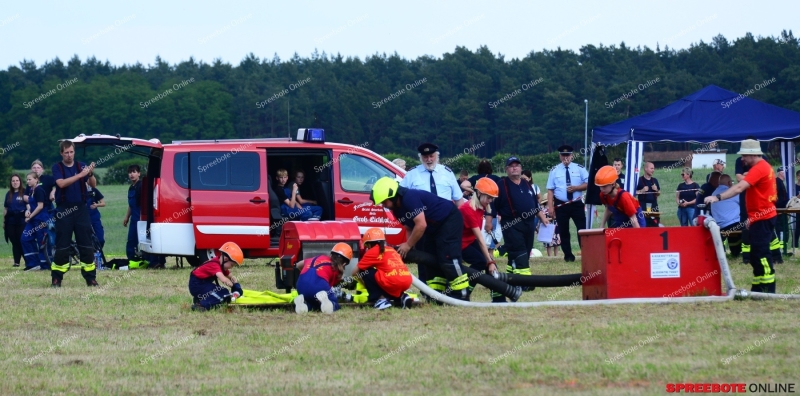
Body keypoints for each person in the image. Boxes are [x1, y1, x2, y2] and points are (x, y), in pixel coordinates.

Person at [370, 177, 472, 301]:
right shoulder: (397, 209)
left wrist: (407, 245)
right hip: (432, 228)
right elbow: (409, 227)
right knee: (430, 261)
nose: (383, 205)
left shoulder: (409, 197)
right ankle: (435, 295)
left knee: (448, 257)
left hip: (448, 220)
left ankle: (461, 294)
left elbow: (421, 224)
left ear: (392, 195)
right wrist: (410, 249)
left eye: (384, 202)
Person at [705, 139, 777, 294]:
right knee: (755, 254)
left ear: (752, 154)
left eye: (744, 155)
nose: (742, 158)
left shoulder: (759, 168)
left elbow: (738, 188)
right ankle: (758, 288)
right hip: (758, 218)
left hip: (763, 218)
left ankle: (768, 289)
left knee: (761, 253)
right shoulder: (761, 167)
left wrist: (717, 198)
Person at [489, 157, 550, 296]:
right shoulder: (501, 185)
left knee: (523, 251)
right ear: (506, 169)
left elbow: (535, 205)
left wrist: (543, 219)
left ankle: (511, 277)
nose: (514, 168)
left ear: (521, 168)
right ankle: (524, 282)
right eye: (511, 166)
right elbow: (492, 205)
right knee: (519, 251)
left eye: (517, 165)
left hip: (529, 223)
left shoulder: (526, 184)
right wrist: (489, 220)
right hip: (511, 223)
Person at [51, 141, 98, 287]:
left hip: (81, 209)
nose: (69, 155)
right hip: (64, 210)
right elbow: (61, 184)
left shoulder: (81, 166)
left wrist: (89, 174)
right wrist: (80, 175)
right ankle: (57, 278)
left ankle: (90, 278)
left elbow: (93, 184)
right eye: (66, 153)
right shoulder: (57, 167)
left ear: (74, 152)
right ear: (61, 153)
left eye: (71, 152)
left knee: (86, 245)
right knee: (62, 245)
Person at [459, 178, 503, 301]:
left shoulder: (480, 207)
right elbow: (480, 239)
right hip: (460, 243)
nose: (490, 201)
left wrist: (490, 261)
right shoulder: (468, 209)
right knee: (481, 262)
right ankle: (464, 293)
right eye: (488, 197)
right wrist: (488, 261)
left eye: (492, 198)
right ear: (478, 193)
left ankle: (498, 296)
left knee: (491, 264)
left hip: (469, 239)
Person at [546, 145, 588, 262]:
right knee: (564, 231)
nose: (566, 158)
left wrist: (576, 188)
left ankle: (586, 254)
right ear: (560, 156)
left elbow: (588, 184)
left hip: (576, 204)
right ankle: (568, 256)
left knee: (582, 230)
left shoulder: (580, 168)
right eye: (563, 155)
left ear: (572, 156)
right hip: (561, 204)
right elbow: (550, 190)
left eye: (568, 155)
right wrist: (550, 207)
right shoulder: (554, 171)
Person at [356, 228, 413, 309]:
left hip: (393, 281)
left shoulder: (372, 251)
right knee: (386, 281)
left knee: (366, 272)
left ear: (369, 244)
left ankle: (380, 300)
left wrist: (363, 283)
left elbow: (355, 272)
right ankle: (402, 296)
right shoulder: (391, 249)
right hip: (406, 280)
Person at [294, 243, 352, 314]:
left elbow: (298, 265)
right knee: (334, 303)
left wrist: (307, 277)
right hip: (319, 286)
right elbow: (331, 287)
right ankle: (328, 304)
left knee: (312, 302)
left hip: (300, 285)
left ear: (331, 254)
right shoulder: (337, 269)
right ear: (344, 264)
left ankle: (303, 305)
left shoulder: (318, 257)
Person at [189, 242, 244, 311]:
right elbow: (223, 279)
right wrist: (232, 285)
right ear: (226, 259)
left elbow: (230, 276)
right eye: (232, 265)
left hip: (202, 284)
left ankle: (200, 298)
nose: (231, 267)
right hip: (197, 284)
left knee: (223, 292)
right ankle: (201, 305)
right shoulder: (214, 265)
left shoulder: (221, 264)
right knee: (222, 293)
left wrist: (236, 284)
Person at [468, 159, 502, 257]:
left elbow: (463, 185)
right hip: (492, 210)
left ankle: (481, 253)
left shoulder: (475, 178)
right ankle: (490, 255)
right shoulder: (495, 178)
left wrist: (473, 192)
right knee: (491, 233)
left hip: (478, 211)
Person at [21, 172, 52, 271]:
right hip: (33, 219)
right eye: (27, 179)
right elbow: (30, 204)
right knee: (25, 238)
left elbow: (40, 206)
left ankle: (45, 265)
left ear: (36, 179)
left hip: (40, 219)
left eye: (30, 179)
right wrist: (28, 211)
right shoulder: (31, 190)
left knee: (41, 242)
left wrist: (30, 217)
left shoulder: (39, 190)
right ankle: (33, 263)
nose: (28, 181)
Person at [710, 175, 742, 257]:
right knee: (749, 225)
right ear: (729, 182)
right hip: (734, 224)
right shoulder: (731, 193)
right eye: (731, 182)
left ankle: (734, 252)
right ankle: (742, 252)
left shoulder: (713, 194)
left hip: (719, 226)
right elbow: (744, 204)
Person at [31, 160, 56, 257]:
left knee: (50, 231)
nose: (36, 169)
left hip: (48, 208)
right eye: (34, 168)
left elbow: (59, 183)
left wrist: (53, 192)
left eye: (38, 167)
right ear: (31, 169)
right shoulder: (30, 180)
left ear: (42, 169)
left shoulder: (48, 179)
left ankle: (53, 257)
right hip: (36, 210)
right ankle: (42, 260)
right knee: (40, 235)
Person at [123, 165, 145, 269]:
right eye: (130, 172)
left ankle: (149, 259)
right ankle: (131, 260)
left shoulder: (141, 186)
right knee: (131, 240)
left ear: (139, 173)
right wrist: (127, 217)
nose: (132, 174)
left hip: (141, 218)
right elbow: (131, 204)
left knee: (143, 240)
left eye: (134, 172)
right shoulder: (131, 187)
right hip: (133, 219)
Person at [4, 174, 26, 267]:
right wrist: (4, 222)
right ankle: (16, 262)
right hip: (10, 221)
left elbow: (29, 205)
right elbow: (5, 208)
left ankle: (28, 260)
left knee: (21, 240)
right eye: (13, 181)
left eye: (17, 180)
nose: (15, 182)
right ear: (11, 182)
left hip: (21, 221)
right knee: (14, 241)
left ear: (20, 182)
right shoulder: (8, 194)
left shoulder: (25, 192)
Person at [773, 167, 788, 263]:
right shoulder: (777, 182)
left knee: (782, 229)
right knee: (781, 229)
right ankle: (781, 249)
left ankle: (782, 249)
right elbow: (777, 197)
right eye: (783, 172)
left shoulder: (780, 182)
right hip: (779, 210)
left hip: (781, 209)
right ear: (780, 173)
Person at [86, 183, 105, 249]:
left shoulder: (93, 190)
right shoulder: (78, 191)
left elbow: (103, 203)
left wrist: (97, 205)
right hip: (84, 219)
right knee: (86, 240)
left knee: (100, 240)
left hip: (95, 218)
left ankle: (98, 252)